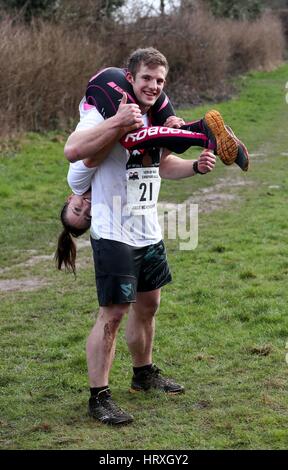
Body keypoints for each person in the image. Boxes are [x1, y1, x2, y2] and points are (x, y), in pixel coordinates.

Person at [56, 47, 246, 426]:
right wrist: (118, 124)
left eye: (159, 81)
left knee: (149, 306)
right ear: (130, 78)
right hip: (114, 234)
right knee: (113, 314)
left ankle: (143, 374)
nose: (153, 86)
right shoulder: (99, 112)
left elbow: (161, 165)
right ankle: (100, 397)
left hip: (148, 230)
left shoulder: (154, 113)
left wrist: (194, 166)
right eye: (146, 79)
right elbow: (75, 152)